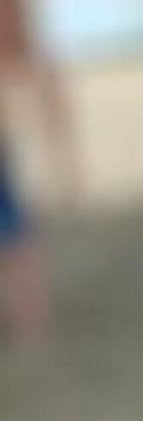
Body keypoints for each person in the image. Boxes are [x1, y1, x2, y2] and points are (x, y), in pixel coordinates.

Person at [0, 0, 77, 343]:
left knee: (19, 242)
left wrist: (65, 168)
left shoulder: (28, 50)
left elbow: (52, 104)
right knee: (18, 241)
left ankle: (30, 326)